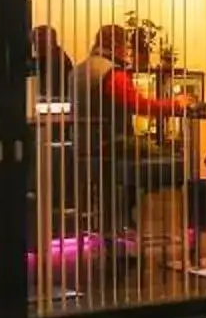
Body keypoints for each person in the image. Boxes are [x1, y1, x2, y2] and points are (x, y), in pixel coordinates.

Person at [77, 25, 187, 237]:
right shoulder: (110, 73)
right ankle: (154, 225)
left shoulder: (79, 70)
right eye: (126, 45)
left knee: (134, 158)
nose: (127, 51)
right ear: (116, 45)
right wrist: (176, 104)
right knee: (172, 157)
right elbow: (140, 106)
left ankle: (118, 219)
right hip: (110, 142)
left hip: (84, 146)